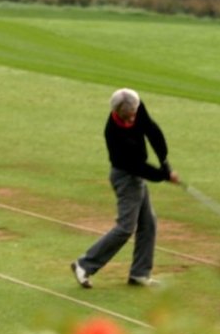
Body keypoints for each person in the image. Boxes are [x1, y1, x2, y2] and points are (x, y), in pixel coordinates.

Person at [70, 88, 180, 289]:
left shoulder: (136, 105)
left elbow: (152, 131)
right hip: (126, 176)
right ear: (117, 113)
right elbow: (137, 166)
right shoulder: (113, 134)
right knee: (125, 228)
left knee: (148, 222)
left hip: (136, 173)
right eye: (127, 118)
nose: (131, 121)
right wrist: (163, 176)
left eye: (133, 116)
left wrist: (165, 163)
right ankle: (84, 264)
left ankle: (140, 273)